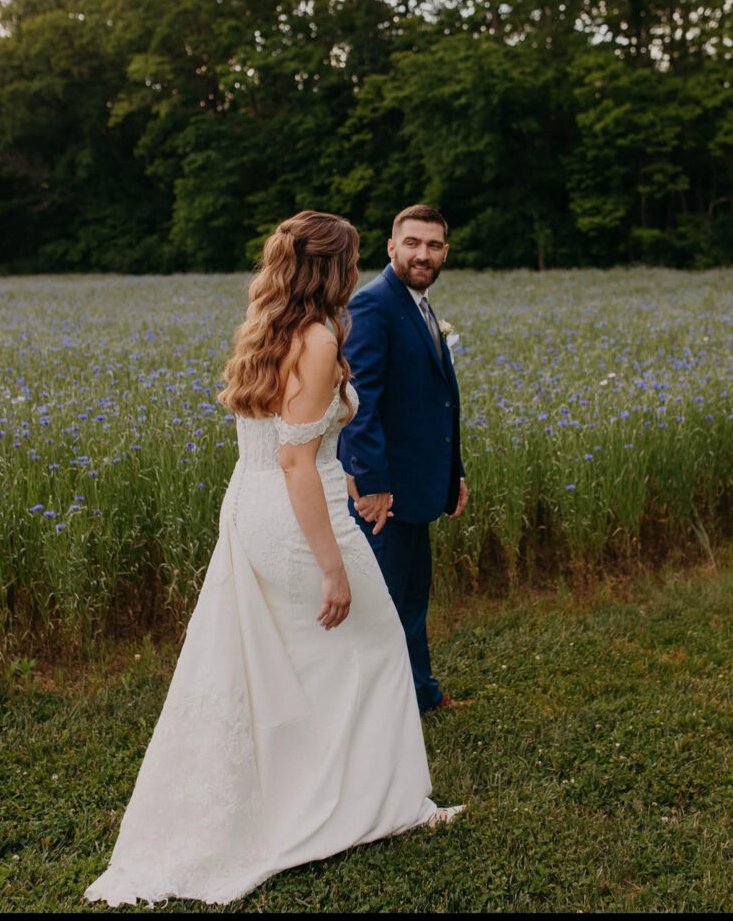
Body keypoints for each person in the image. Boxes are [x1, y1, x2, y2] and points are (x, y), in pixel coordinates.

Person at [84, 211, 461, 908]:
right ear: (336, 269)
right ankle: (380, 806)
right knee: (374, 645)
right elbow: (295, 459)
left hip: (251, 504)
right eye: (350, 261)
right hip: (295, 512)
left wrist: (340, 469)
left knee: (292, 658)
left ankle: (337, 792)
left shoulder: (269, 327)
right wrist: (331, 565)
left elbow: (294, 440)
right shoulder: (317, 338)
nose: (355, 275)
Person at [338, 204, 469, 713]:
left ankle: (420, 696)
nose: (423, 253)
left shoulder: (419, 303)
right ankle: (379, 713)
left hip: (417, 485)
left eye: (434, 245)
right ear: (391, 247)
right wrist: (371, 484)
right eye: (412, 243)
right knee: (385, 604)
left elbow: (438, 404)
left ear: (445, 252)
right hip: (383, 493)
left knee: (412, 596)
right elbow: (358, 401)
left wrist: (453, 472)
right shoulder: (373, 305)